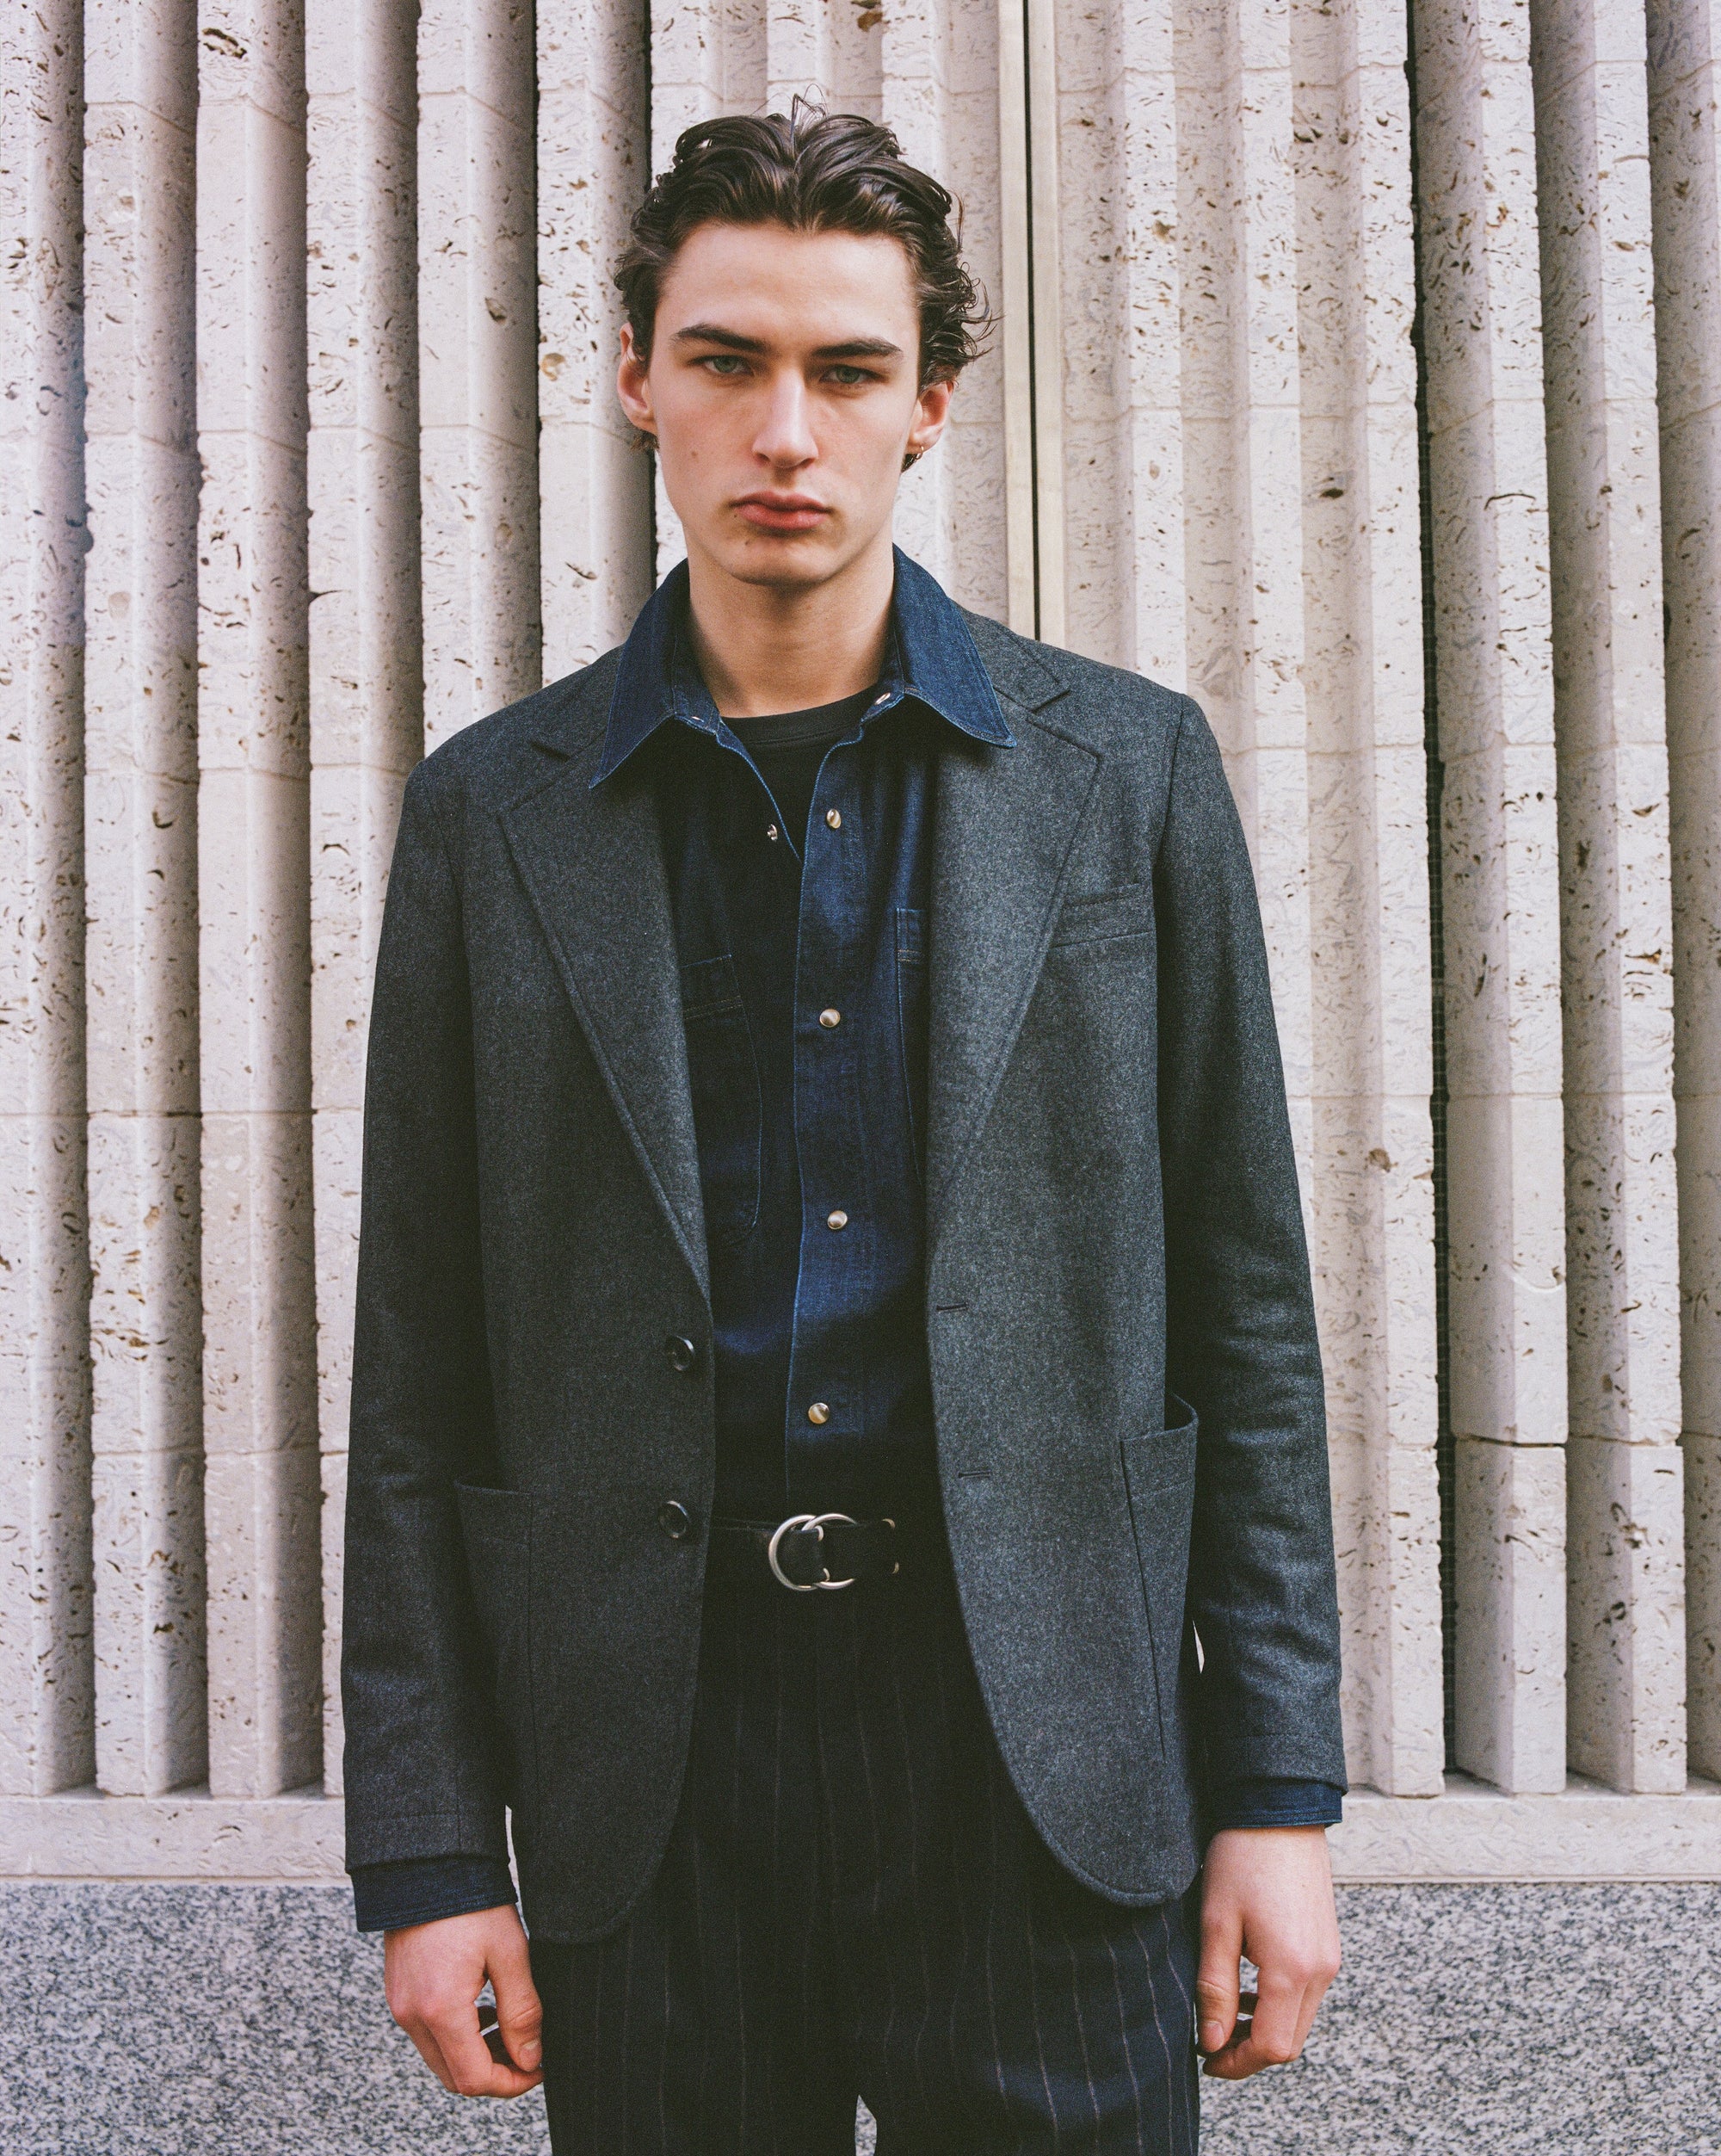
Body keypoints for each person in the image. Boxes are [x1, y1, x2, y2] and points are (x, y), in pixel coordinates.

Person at [342, 103, 1346, 2154]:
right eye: (726, 361)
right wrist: (432, 1850)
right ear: (635, 383)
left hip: (1039, 1753)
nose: (783, 429)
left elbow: (1244, 1309)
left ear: (930, 403)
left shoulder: (1125, 773)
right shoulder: (490, 810)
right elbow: (418, 1367)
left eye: (845, 370)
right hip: (653, 1764)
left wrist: (1277, 1789)